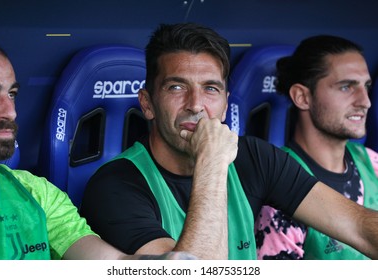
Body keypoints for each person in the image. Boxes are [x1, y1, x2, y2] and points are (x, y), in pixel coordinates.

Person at [80, 23, 378, 260]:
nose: (196, 105)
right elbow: (192, 272)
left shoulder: (253, 157)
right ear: (147, 103)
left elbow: (357, 226)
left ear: (225, 105)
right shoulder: (115, 184)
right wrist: (210, 160)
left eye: (210, 89)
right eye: (176, 87)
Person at [0, 38, 196, 261]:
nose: (10, 112)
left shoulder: (35, 193)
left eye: (12, 94)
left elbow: (110, 262)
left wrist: (162, 265)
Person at [254, 35, 378, 260]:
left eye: (366, 86)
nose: (365, 101)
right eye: (346, 87)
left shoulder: (373, 163)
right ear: (302, 97)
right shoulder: (279, 188)